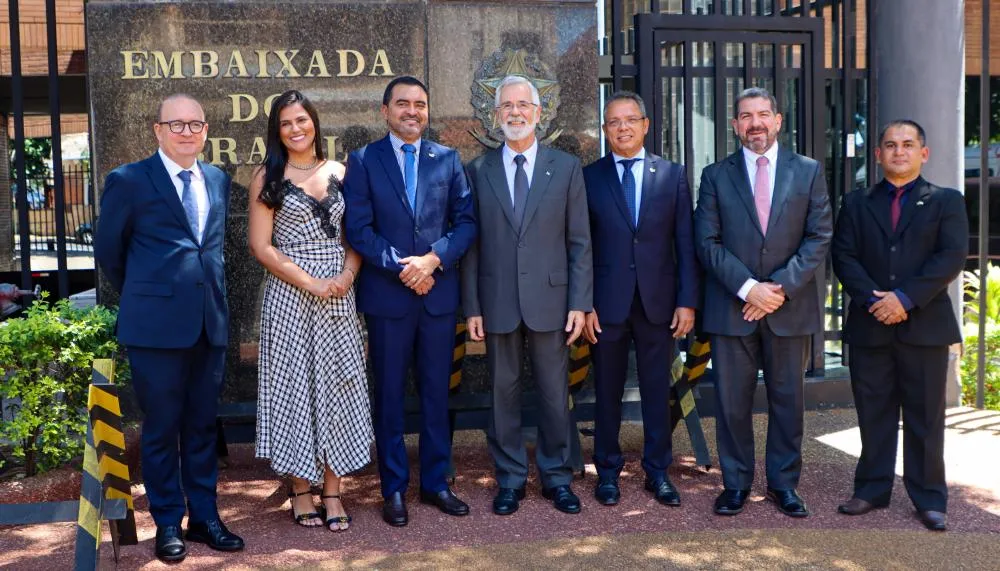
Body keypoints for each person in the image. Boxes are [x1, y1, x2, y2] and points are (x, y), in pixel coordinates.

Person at [94, 94, 244, 562]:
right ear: (157, 130)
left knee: (202, 427)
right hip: (154, 329)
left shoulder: (218, 179)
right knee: (160, 429)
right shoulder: (129, 180)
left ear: (205, 131)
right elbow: (109, 255)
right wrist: (151, 294)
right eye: (175, 124)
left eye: (194, 124)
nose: (186, 132)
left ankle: (204, 517)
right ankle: (166, 522)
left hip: (208, 324)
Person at [343, 76, 477, 527]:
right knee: (390, 398)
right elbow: (359, 230)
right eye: (403, 104)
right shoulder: (363, 160)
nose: (412, 112)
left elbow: (466, 223)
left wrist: (433, 260)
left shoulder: (449, 159)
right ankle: (394, 488)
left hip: (437, 298)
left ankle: (437, 483)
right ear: (385, 111)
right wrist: (407, 267)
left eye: (420, 104)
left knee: (438, 394)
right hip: (389, 298)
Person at [693, 87, 832, 518]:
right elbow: (707, 241)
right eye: (745, 116)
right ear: (734, 125)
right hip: (733, 308)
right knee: (731, 403)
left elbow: (818, 236)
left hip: (788, 308)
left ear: (778, 120)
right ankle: (735, 484)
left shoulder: (808, 171)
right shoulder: (715, 175)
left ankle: (783, 485)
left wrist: (776, 290)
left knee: (788, 402)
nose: (755, 122)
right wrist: (748, 288)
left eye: (763, 114)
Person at [462, 75, 593, 516]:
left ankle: (557, 477)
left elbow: (579, 242)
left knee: (555, 394)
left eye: (523, 105)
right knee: (503, 393)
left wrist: (579, 302)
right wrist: (472, 307)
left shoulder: (567, 167)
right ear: (496, 116)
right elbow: (472, 246)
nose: (515, 112)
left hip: (553, 303)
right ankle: (511, 478)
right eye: (507, 106)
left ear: (539, 113)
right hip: (497, 301)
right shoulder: (477, 171)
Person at [831, 120, 967, 531]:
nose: (899, 151)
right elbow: (844, 256)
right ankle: (871, 489)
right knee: (873, 413)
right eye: (890, 145)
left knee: (926, 416)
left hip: (924, 327)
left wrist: (904, 300)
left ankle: (929, 497)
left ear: (923, 154)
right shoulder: (856, 203)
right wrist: (877, 301)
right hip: (871, 324)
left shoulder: (946, 201)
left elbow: (951, 257)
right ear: (878, 154)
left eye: (908, 145)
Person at [248, 90, 373, 532]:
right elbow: (261, 247)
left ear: (315, 122)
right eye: (286, 123)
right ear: (276, 131)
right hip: (290, 295)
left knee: (337, 387)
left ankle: (333, 490)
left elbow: (356, 235)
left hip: (339, 295)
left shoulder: (342, 172)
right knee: (295, 388)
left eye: (302, 120)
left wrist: (347, 276)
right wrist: (312, 282)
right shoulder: (268, 176)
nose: (296, 129)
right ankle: (301, 489)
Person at [582, 90, 699, 507]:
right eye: (614, 122)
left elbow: (685, 243)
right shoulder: (589, 177)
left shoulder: (672, 175)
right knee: (607, 391)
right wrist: (584, 301)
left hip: (659, 303)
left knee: (655, 391)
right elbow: (581, 246)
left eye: (630, 119)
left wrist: (687, 301)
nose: (623, 127)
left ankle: (657, 471)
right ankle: (607, 472)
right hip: (605, 305)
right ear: (604, 130)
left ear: (646, 125)